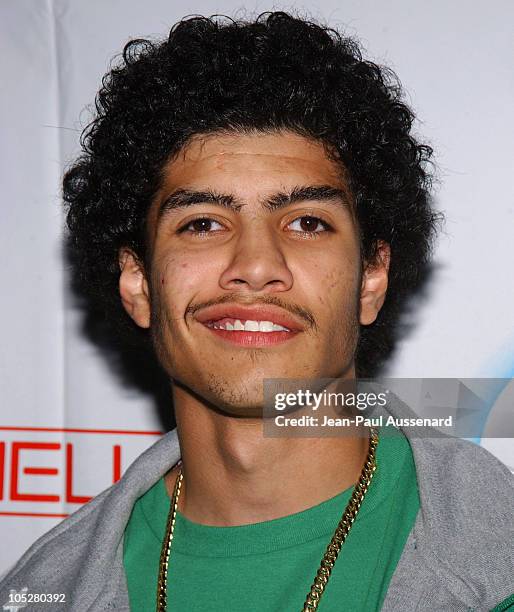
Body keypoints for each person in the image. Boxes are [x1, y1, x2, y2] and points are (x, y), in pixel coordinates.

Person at [1, 11, 513, 612]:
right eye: (203, 223)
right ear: (138, 282)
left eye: (306, 222)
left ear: (371, 278)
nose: (255, 263)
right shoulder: (39, 592)